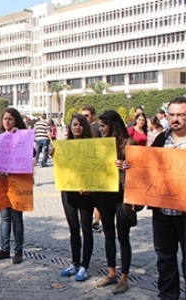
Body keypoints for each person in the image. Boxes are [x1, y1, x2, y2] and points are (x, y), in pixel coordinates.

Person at [148, 97, 186, 300]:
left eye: (181, 115)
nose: (176, 119)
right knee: (165, 259)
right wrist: (130, 167)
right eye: (172, 115)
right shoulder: (161, 139)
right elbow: (146, 168)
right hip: (163, 212)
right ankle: (167, 296)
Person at [94, 110, 134, 294]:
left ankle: (124, 277)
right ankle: (111, 273)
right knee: (108, 234)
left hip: (123, 195)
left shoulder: (128, 143)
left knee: (122, 236)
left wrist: (127, 165)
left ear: (113, 124)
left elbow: (141, 168)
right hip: (104, 194)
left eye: (103, 125)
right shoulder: (100, 144)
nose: (100, 129)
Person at [51, 114, 95, 282]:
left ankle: (85, 265)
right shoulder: (65, 146)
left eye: (80, 125)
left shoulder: (92, 146)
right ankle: (75, 262)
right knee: (73, 228)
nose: (77, 127)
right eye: (74, 125)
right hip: (68, 191)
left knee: (86, 229)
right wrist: (53, 154)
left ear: (85, 127)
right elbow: (61, 165)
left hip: (86, 193)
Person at [0, 107, 30, 264]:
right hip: (1, 181)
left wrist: (18, 137)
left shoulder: (23, 136)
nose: (7, 122)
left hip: (17, 182)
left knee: (16, 218)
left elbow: (31, 153)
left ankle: (18, 251)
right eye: (5, 119)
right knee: (4, 217)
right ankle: (4, 248)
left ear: (16, 120)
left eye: (10, 119)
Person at [81, 106, 103, 233]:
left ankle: (96, 221)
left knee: (95, 199)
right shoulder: (85, 130)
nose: (84, 119)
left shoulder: (95, 130)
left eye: (86, 116)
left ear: (93, 116)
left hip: (93, 169)